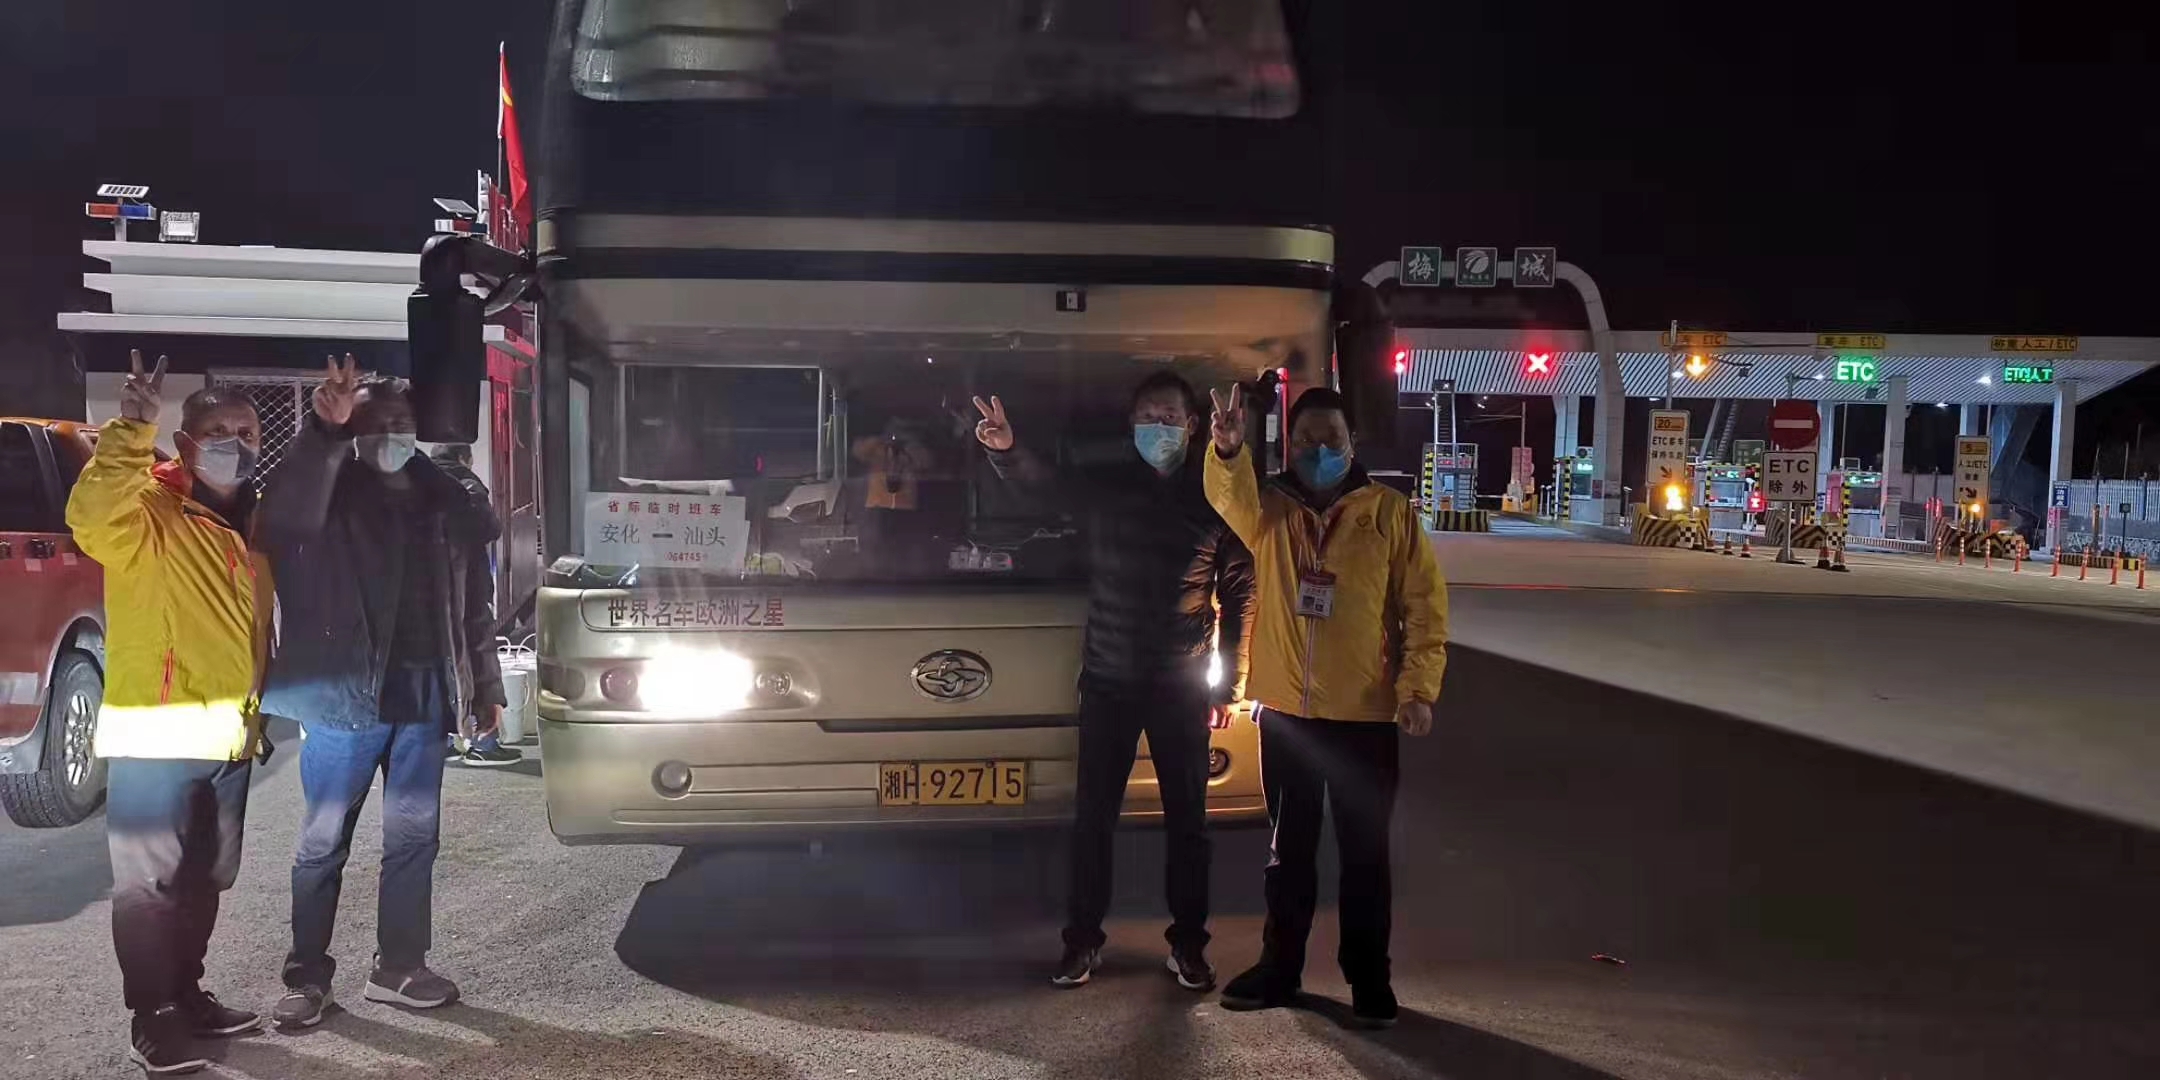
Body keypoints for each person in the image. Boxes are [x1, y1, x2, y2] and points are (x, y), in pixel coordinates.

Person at [972, 372, 1254, 991]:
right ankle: (1081, 942)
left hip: (1182, 685)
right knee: (1093, 819)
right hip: (1107, 678)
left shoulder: (1215, 497)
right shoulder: (1106, 488)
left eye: (1170, 417)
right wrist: (1006, 450)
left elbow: (1240, 594)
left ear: (1193, 426)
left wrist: (1228, 685)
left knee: (1189, 824)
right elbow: (1045, 489)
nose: (1159, 427)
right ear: (1132, 426)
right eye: (1148, 416)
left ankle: (1189, 946)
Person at [257, 356, 505, 1026]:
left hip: (425, 700)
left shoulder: (443, 498)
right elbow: (284, 515)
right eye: (372, 422)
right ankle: (307, 978)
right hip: (343, 703)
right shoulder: (328, 491)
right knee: (322, 842)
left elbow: (473, 600)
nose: (389, 433)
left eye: (399, 421)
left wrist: (484, 683)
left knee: (414, 839)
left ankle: (399, 966)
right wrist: (324, 432)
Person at [1201, 385, 1447, 1030]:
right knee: (1288, 854)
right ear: (1290, 443)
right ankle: (1279, 969)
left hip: (1366, 715)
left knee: (1366, 855)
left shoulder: (1389, 513)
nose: (1318, 449)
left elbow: (1422, 606)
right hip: (1287, 714)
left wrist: (1417, 689)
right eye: (1306, 438)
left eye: (1330, 438)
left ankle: (1369, 978)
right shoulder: (1268, 508)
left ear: (1351, 442)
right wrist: (1226, 450)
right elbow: (1226, 495)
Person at [69, 351, 273, 1073]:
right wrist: (131, 429)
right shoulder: (148, 510)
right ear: (184, 443)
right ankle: (152, 1017)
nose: (234, 443)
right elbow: (90, 517)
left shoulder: (252, 519)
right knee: (149, 888)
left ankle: (187, 994)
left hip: (229, 736)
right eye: (217, 431)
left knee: (205, 879)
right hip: (154, 734)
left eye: (246, 432)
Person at [426, 443, 521, 768]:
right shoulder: (466, 484)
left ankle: (443, 742)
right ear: (463, 458)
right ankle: (484, 743)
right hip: (470, 589)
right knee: (479, 659)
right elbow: (490, 527)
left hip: (430, 595)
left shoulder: (419, 485)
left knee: (440, 662)